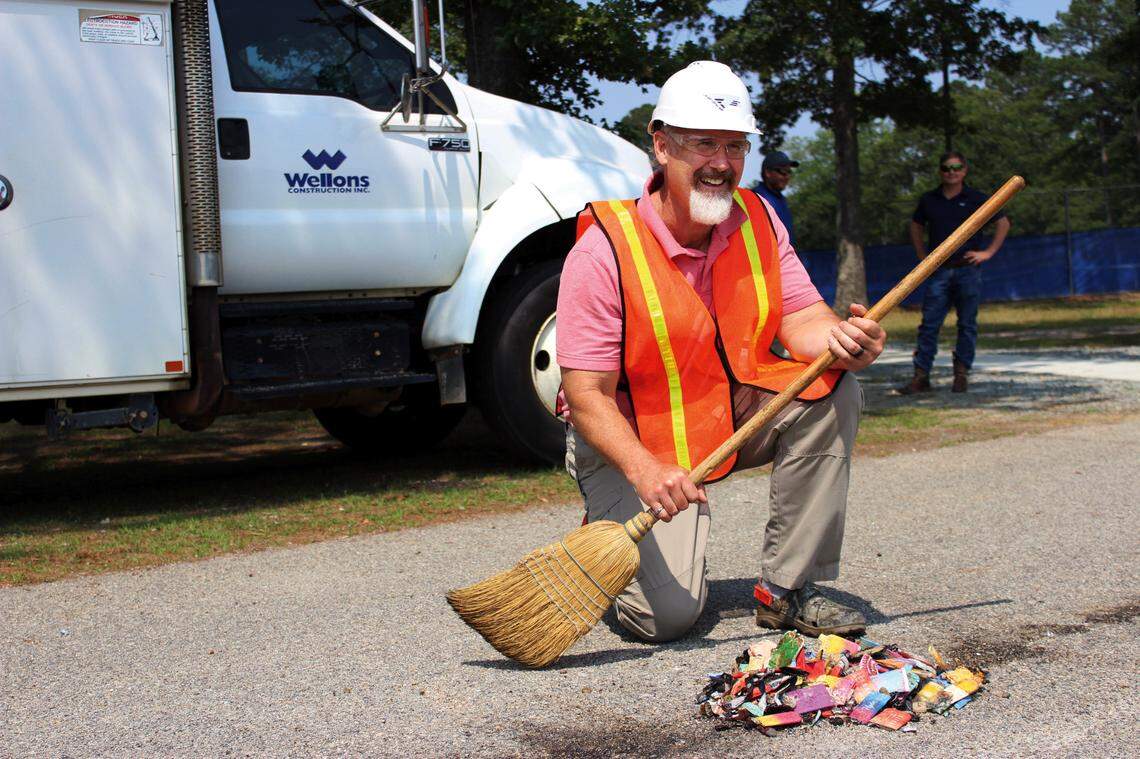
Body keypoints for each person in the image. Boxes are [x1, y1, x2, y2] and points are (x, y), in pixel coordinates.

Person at [555, 61, 886, 643]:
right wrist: (644, 468)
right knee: (665, 620)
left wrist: (842, 342)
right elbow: (586, 397)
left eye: (735, 146)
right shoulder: (602, 249)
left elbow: (804, 318)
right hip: (634, 439)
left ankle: (785, 591)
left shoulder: (759, 219)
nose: (720, 164)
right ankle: (603, 530)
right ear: (661, 146)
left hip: (724, 408)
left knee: (833, 390)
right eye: (703, 143)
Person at [899, 151, 1011, 394]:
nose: (952, 172)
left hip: (967, 269)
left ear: (964, 170)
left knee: (967, 324)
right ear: (941, 171)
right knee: (929, 324)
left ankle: (961, 375)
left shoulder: (976, 198)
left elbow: (1003, 222)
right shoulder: (930, 199)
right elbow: (916, 225)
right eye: (947, 168)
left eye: (956, 167)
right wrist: (922, 256)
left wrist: (988, 252)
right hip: (939, 270)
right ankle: (921, 376)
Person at [752, 150, 799, 245]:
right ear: (768, 173)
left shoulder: (782, 199)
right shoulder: (755, 199)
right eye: (782, 171)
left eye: (789, 172)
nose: (787, 176)